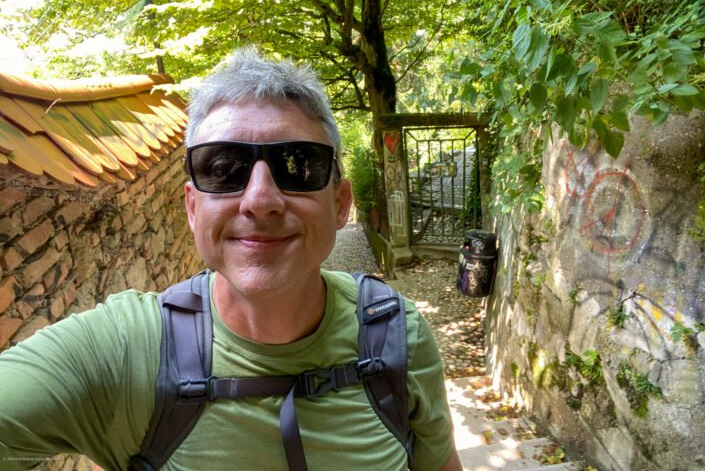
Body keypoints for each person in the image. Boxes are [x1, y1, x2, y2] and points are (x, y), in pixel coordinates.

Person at [0, 48, 462, 471]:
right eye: (223, 169)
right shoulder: (126, 350)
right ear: (192, 207)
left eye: (298, 165)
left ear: (340, 203)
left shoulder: (396, 335)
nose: (260, 200)